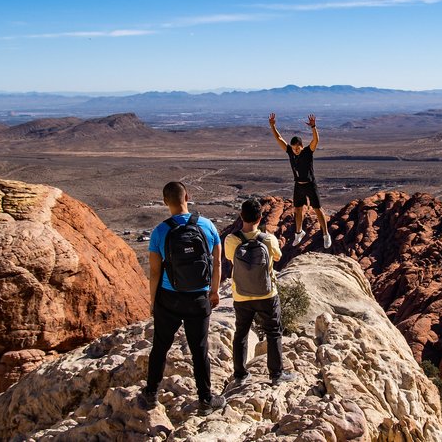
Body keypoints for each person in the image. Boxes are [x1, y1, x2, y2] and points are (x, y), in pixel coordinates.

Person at [141, 181, 225, 412]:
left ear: (165, 202)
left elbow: (155, 272)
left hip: (169, 299)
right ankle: (206, 400)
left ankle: (151, 394)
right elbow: (217, 262)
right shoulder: (207, 226)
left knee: (160, 347)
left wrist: (153, 301)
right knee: (199, 350)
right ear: (187, 196)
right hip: (199, 299)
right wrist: (215, 291)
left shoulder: (160, 231)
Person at [225, 199, 296, 386]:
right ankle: (276, 375)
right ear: (260, 217)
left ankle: (240, 375)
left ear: (241, 216)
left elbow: (229, 257)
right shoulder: (268, 239)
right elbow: (278, 256)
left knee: (241, 333)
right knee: (273, 332)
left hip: (241, 294)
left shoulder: (231, 240)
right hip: (267, 294)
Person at [269, 112, 332, 249]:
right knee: (297, 209)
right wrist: (273, 126)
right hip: (298, 185)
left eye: (297, 148)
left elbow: (316, 140)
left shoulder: (308, 152)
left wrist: (313, 127)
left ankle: (326, 234)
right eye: (294, 148)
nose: (296, 151)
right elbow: (279, 138)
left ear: (301, 146)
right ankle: (299, 233)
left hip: (310, 184)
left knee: (317, 209)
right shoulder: (290, 152)